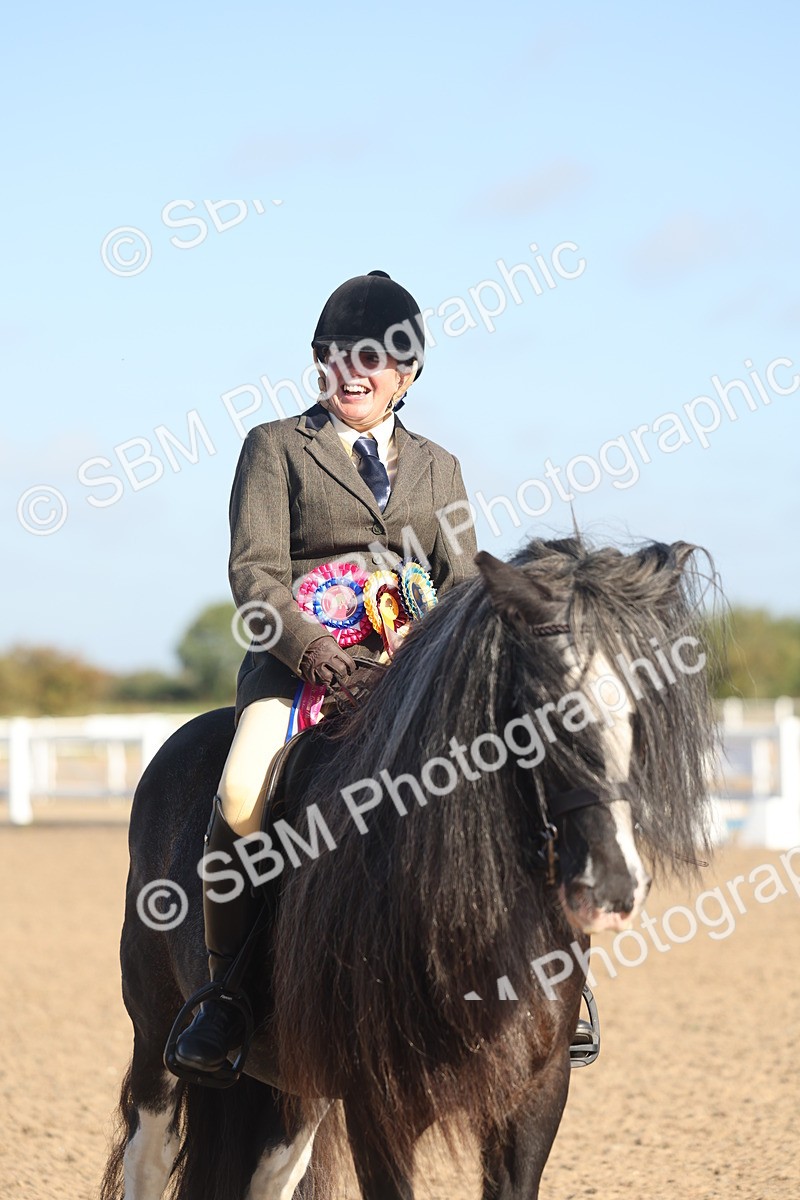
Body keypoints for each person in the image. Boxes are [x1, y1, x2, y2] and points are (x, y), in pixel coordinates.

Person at [173, 270, 478, 1074]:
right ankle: (228, 995)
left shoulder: (438, 467)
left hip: (412, 671)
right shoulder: (276, 447)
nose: (356, 372)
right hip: (298, 665)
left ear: (406, 377)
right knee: (241, 790)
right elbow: (255, 574)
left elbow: (467, 580)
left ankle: (551, 979)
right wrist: (315, 652)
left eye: (376, 360)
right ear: (319, 363)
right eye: (340, 355)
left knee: (504, 773)